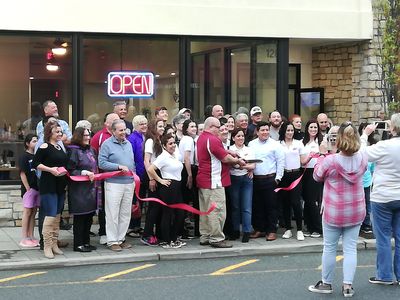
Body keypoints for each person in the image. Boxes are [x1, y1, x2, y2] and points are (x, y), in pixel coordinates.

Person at [308, 122, 367, 297]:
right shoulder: (363, 158)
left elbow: (316, 176)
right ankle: (347, 286)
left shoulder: (330, 160)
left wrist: (322, 153)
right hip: (355, 210)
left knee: (330, 247)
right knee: (350, 249)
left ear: (339, 139)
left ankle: (326, 283)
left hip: (334, 211)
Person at [361, 113, 400, 285]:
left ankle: (384, 275)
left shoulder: (384, 145)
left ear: (392, 128)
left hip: (383, 196)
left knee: (383, 238)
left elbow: (363, 155)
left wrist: (365, 135)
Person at [196, 117, 246, 248]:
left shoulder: (201, 138)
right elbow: (224, 158)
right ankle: (216, 238)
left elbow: (217, 153)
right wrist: (238, 161)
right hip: (214, 181)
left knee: (205, 210)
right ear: (211, 127)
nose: (220, 130)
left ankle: (205, 236)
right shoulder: (213, 139)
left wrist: (228, 151)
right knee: (217, 210)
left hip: (204, 179)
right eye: (218, 127)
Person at [32, 121, 68, 259]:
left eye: (61, 132)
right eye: (57, 132)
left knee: (58, 215)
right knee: (51, 214)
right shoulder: (44, 146)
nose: (60, 134)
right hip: (48, 184)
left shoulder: (59, 147)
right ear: (49, 133)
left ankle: (54, 244)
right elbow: (36, 164)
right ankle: (47, 246)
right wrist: (50, 170)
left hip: (60, 183)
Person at [98, 119, 135, 252]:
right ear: (113, 131)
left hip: (129, 182)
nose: (123, 132)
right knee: (112, 213)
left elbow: (132, 163)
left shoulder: (128, 144)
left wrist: (134, 178)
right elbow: (101, 163)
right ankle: (112, 240)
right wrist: (118, 166)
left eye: (124, 130)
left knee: (125, 213)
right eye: (120, 130)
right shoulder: (107, 144)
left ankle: (121, 238)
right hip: (113, 183)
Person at [147, 133, 185, 249]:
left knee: (180, 214)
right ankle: (167, 240)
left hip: (177, 187)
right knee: (167, 214)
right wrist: (160, 180)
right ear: (164, 146)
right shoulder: (163, 156)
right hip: (168, 187)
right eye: (170, 144)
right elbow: (150, 168)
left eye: (174, 143)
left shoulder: (175, 155)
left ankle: (173, 238)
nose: (173, 145)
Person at [248, 121, 285, 241]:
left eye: (266, 130)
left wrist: (278, 178)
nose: (265, 132)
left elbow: (280, 162)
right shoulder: (252, 144)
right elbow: (249, 160)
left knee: (271, 206)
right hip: (256, 179)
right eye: (262, 130)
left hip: (270, 179)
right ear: (257, 132)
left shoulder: (275, 144)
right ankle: (259, 229)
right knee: (257, 205)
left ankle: (271, 230)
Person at [90, 112, 120, 245]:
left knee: (117, 207)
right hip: (103, 177)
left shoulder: (123, 136)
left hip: (119, 178)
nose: (116, 122)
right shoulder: (98, 137)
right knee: (104, 206)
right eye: (113, 120)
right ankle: (103, 232)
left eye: (118, 120)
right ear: (106, 123)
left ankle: (117, 233)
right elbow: (92, 157)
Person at [66, 127, 97, 252]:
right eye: (85, 135)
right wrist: (82, 171)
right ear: (79, 136)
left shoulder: (91, 150)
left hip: (90, 188)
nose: (88, 138)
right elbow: (69, 170)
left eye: (89, 135)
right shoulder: (73, 151)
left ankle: (86, 242)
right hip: (78, 189)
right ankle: (78, 244)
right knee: (80, 217)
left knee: (89, 216)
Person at [278, 122, 307, 241]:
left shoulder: (298, 143)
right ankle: (288, 229)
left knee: (296, 202)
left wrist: (312, 156)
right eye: (288, 130)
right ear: (283, 131)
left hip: (296, 175)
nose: (290, 133)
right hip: (283, 175)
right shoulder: (278, 144)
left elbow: (303, 160)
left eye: (291, 130)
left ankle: (299, 230)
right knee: (285, 203)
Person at [227, 128, 255, 243]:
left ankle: (247, 231)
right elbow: (229, 165)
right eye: (238, 136)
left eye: (242, 136)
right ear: (233, 138)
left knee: (246, 206)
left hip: (246, 179)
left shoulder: (249, 149)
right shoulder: (230, 150)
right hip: (233, 179)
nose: (241, 138)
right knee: (235, 207)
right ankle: (235, 230)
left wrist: (240, 166)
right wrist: (243, 165)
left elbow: (253, 166)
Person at [140, 119, 165, 246]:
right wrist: (151, 178)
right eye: (160, 126)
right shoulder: (150, 141)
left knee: (159, 206)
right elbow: (146, 161)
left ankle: (157, 233)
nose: (162, 128)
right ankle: (147, 234)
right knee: (153, 207)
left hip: (158, 174)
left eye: (163, 126)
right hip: (152, 174)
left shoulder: (159, 140)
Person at [126, 115, 148, 237]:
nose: (144, 126)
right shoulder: (132, 139)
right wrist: (134, 174)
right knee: (134, 202)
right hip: (136, 175)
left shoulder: (146, 137)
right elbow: (132, 158)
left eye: (145, 123)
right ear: (135, 126)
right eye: (141, 124)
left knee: (141, 200)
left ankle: (137, 225)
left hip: (145, 174)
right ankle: (132, 227)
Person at [302, 120, 323, 238]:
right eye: (311, 127)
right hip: (304, 172)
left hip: (316, 172)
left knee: (312, 201)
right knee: (306, 200)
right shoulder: (302, 142)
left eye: (315, 127)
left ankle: (317, 228)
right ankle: (308, 226)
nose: (313, 129)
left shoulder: (321, 142)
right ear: (307, 128)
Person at [179, 119, 199, 237]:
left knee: (186, 199)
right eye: (191, 126)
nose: (194, 128)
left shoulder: (188, 139)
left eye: (195, 126)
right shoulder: (188, 140)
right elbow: (186, 158)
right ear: (186, 129)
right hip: (187, 169)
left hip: (187, 168)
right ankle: (184, 229)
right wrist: (190, 174)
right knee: (188, 199)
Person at [19, 134, 40, 248]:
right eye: (34, 141)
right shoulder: (24, 157)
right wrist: (27, 188)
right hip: (29, 189)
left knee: (33, 212)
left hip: (37, 188)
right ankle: (24, 237)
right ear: (27, 143)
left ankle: (31, 236)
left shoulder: (37, 156)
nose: (36, 143)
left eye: (37, 140)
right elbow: (22, 173)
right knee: (27, 212)